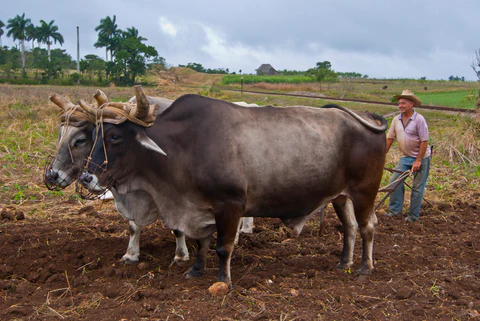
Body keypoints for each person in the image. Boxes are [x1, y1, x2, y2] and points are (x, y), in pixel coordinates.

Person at [385, 89, 431, 222]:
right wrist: (382, 156)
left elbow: (424, 141)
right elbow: (389, 139)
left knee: (417, 188)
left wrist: (418, 161)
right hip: (405, 157)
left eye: (403, 103)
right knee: (394, 182)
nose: (400, 106)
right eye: (399, 103)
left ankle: (413, 215)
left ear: (411, 104)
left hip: (421, 157)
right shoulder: (396, 120)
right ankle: (395, 211)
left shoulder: (419, 120)